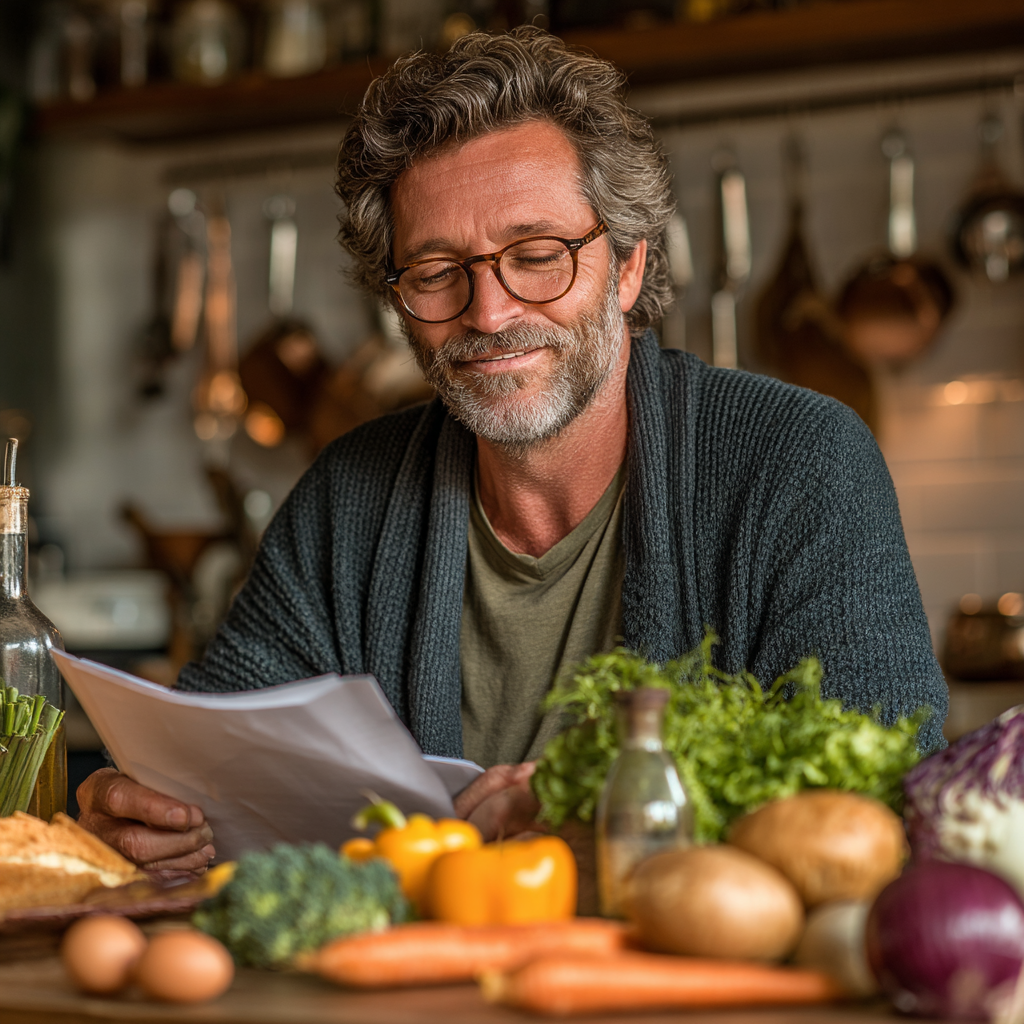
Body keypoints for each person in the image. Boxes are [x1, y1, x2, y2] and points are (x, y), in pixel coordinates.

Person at [77, 27, 947, 875]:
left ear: (631, 267)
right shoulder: (350, 496)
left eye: (537, 257)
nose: (488, 314)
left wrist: (597, 811)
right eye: (435, 272)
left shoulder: (798, 461)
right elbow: (213, 743)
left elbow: (882, 792)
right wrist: (154, 815)